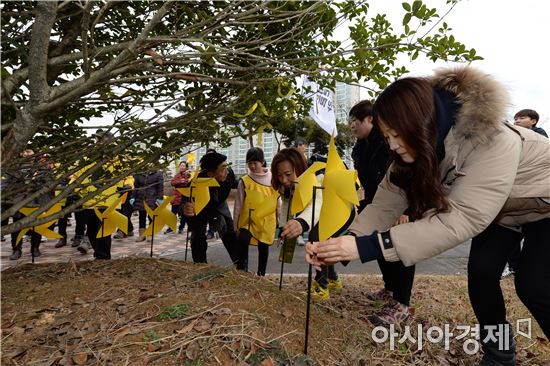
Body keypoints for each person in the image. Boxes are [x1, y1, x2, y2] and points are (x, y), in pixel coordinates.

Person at [306, 67, 550, 365]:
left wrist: (366, 247)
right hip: (503, 213)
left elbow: (462, 217)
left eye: (397, 135)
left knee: (535, 285)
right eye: (386, 136)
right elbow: (386, 202)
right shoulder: (416, 150)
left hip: (544, 205)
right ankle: (499, 354)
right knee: (483, 274)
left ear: (420, 124)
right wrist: (347, 240)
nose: (392, 145)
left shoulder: (492, 139)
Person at [350, 100, 416, 326]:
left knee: (400, 247)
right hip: (376, 202)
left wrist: (408, 210)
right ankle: (389, 288)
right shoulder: (360, 147)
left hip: (402, 203)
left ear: (370, 120)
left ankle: (401, 302)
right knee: (379, 246)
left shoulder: (389, 144)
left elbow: (408, 179)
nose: (353, 128)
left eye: (355, 122)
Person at [272, 148, 350, 300]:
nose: (284, 180)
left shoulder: (317, 175)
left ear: (299, 168)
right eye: (279, 175)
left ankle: (322, 287)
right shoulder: (285, 185)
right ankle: (333, 279)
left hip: (340, 209)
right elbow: (287, 206)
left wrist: (301, 222)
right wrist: (284, 228)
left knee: (317, 238)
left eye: (288, 174)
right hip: (321, 213)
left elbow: (318, 202)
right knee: (322, 239)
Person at [501, 109, 548, 277]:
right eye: (515, 118)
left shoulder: (540, 139)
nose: (517, 121)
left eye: (522, 117)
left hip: (535, 198)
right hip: (514, 196)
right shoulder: (511, 138)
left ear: (533, 121)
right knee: (511, 236)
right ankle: (513, 267)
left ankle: (527, 270)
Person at [183, 152, 238, 264]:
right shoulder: (195, 185)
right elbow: (184, 203)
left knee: (229, 233)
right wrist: (185, 208)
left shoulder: (229, 174)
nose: (226, 172)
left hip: (220, 204)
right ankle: (200, 264)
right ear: (210, 174)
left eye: (226, 168)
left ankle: (240, 265)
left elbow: (237, 184)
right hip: (200, 208)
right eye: (222, 170)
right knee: (198, 237)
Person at [233, 147, 277, 276]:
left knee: (263, 246)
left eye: (255, 163)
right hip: (248, 219)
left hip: (266, 220)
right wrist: (236, 224)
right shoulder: (245, 181)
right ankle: (242, 272)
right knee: (243, 240)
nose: (252, 166)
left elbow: (277, 201)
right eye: (249, 163)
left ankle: (261, 274)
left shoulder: (273, 179)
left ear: (262, 162)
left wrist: (279, 220)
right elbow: (238, 203)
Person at [133, 169, 164, 242]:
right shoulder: (139, 174)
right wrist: (133, 196)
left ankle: (150, 234)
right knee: (141, 217)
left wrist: (160, 198)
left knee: (151, 217)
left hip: (152, 198)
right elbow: (136, 187)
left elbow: (160, 188)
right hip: (141, 198)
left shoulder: (158, 174)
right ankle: (142, 235)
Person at [166, 161, 190, 234]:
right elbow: (172, 182)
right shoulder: (177, 175)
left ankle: (181, 227)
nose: (182, 167)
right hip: (176, 197)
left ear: (186, 167)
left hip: (184, 197)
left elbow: (187, 183)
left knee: (183, 214)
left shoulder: (188, 175)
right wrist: (180, 181)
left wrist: (183, 181)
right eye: (181, 166)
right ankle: (171, 227)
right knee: (173, 213)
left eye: (184, 166)